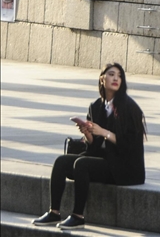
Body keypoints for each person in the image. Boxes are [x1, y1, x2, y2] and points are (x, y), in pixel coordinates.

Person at [32, 64, 146, 230]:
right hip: (106, 160)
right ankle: (54, 212)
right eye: (111, 74)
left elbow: (131, 145)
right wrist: (88, 134)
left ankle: (78, 216)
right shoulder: (96, 106)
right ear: (102, 79)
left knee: (82, 164)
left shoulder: (130, 107)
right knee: (61, 162)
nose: (116, 78)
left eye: (119, 76)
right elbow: (94, 148)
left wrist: (104, 132)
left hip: (125, 168)